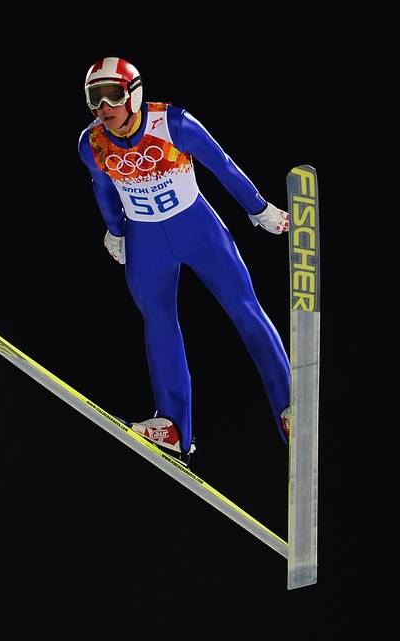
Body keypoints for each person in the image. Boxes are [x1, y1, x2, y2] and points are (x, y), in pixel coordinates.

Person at [77, 56, 291, 464]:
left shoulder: (172, 123)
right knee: (157, 321)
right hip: (146, 242)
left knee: (244, 309)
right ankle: (174, 426)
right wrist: (116, 231)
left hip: (198, 231)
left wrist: (259, 208)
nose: (104, 107)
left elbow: (222, 166)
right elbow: (102, 188)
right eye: (94, 97)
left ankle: (287, 407)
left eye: (113, 95)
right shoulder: (92, 143)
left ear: (134, 94)